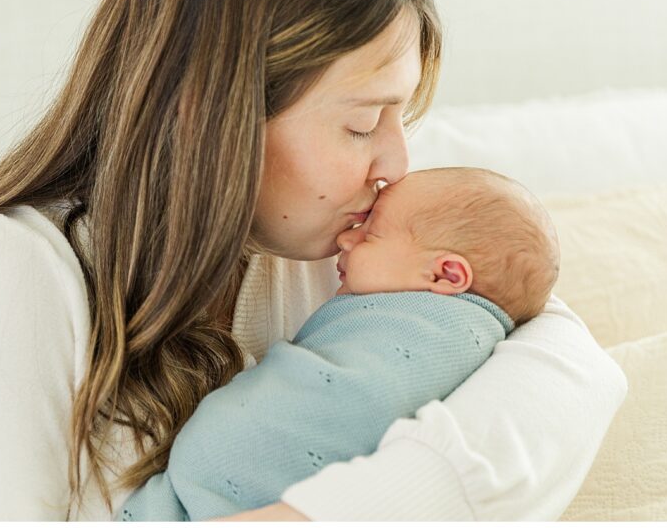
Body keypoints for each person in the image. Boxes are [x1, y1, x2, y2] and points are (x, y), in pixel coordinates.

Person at [0, 0, 627, 521]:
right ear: (210, 111)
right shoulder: (15, 272)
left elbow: (574, 371)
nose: (397, 163)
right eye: (364, 123)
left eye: (404, 119)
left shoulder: (351, 240)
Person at [117, 166, 561, 521]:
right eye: (361, 126)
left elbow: (365, 399)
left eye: (370, 235)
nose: (348, 239)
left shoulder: (453, 326)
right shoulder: (408, 227)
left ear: (445, 276)